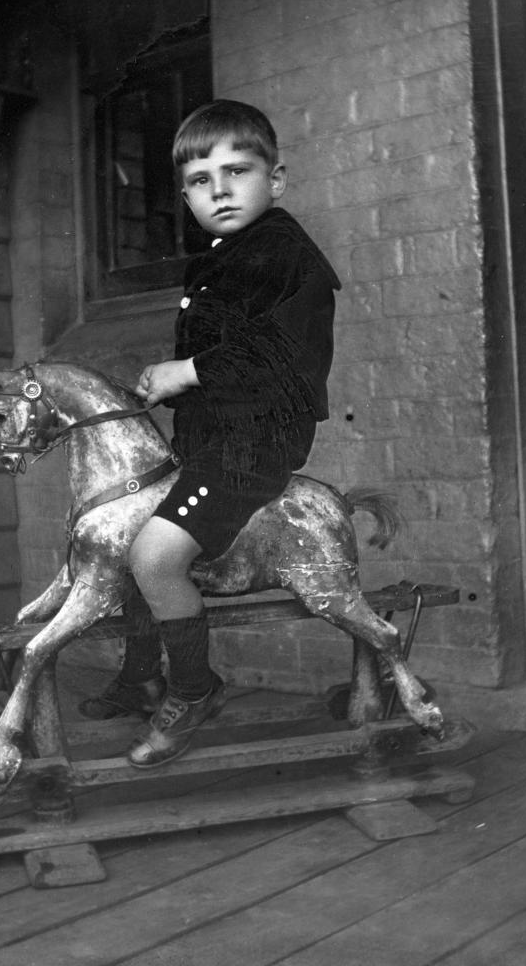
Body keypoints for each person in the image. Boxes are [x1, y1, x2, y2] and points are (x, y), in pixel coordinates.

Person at [79, 99, 341, 769]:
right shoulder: (225, 257)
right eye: (199, 180)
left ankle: (194, 689)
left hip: (252, 449)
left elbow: (280, 355)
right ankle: (142, 673)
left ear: (275, 178)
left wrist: (183, 372)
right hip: (214, 441)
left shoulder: (281, 253)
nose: (218, 190)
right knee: (127, 535)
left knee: (155, 558)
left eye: (237, 171)